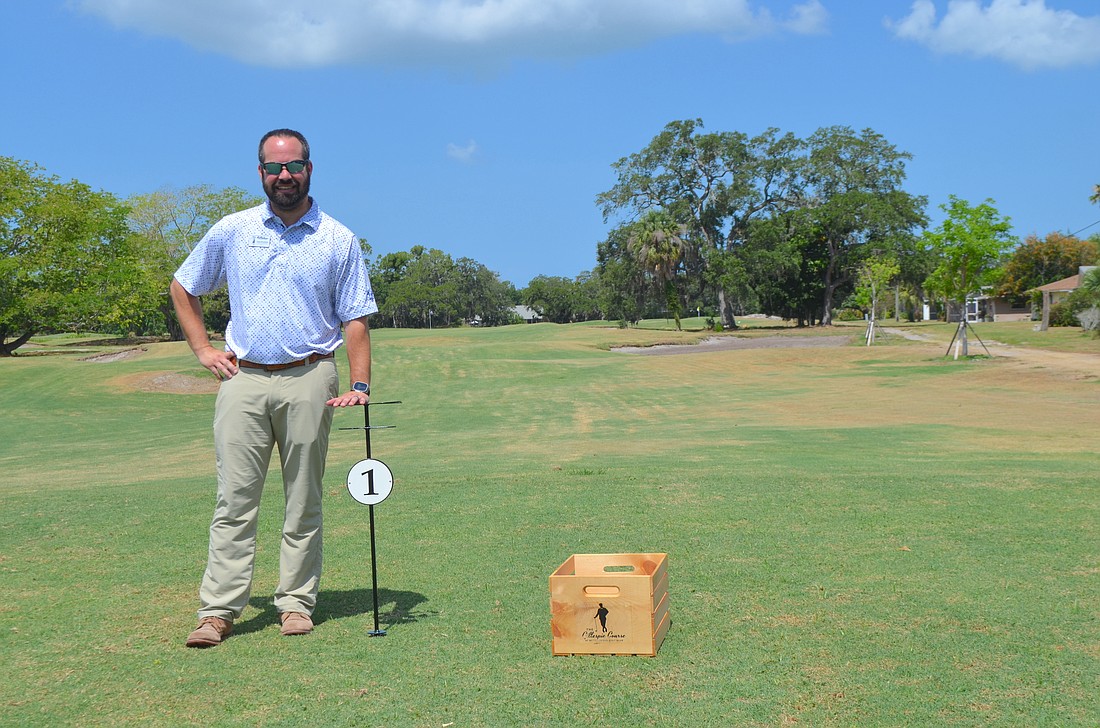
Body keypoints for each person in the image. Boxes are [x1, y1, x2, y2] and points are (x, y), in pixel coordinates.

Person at [171, 128, 377, 648]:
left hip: (311, 375)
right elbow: (184, 286)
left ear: (310, 168)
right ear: (260, 172)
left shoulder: (338, 238)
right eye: (273, 167)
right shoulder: (233, 229)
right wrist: (202, 350)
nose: (284, 175)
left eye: (294, 165)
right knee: (234, 499)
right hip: (242, 378)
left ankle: (295, 603)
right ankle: (217, 611)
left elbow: (355, 318)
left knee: (303, 497)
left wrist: (359, 382)